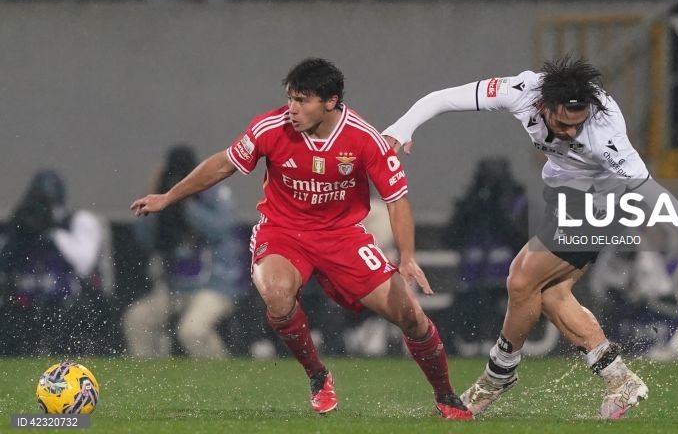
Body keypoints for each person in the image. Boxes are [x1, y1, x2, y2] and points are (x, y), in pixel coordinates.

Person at [382, 56, 678, 419]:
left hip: (596, 207)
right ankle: (619, 379)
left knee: (521, 279)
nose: (571, 132)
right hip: (562, 196)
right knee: (552, 295)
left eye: (578, 124)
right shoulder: (522, 90)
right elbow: (444, 98)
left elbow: (652, 192)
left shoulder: (607, 134)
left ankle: (498, 374)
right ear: (543, 104)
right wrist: (403, 127)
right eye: (563, 123)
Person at [130, 57, 472, 420]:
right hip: (283, 232)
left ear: (330, 101)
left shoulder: (363, 138)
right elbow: (223, 163)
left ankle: (446, 396)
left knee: (411, 316)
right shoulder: (269, 128)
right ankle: (318, 375)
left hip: (342, 237)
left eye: (303, 100)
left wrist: (407, 256)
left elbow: (396, 200)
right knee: (276, 296)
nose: (292, 109)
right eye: (290, 98)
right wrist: (169, 197)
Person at [123, 145, 245, 359]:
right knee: (137, 319)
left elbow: (222, 228)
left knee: (192, 331)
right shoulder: (164, 199)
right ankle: (152, 381)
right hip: (176, 287)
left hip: (214, 286)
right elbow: (145, 238)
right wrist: (153, 196)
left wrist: (185, 201)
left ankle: (224, 377)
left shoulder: (213, 194)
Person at [0, 170, 113, 355]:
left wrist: (52, 232)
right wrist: (18, 232)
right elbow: (4, 263)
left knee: (68, 324)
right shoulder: (22, 222)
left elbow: (83, 264)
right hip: (26, 303)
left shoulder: (78, 220)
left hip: (70, 304)